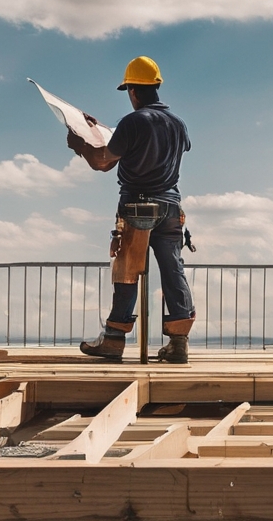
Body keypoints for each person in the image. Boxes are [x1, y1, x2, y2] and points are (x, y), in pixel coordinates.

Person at [67, 56, 195, 363]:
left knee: (127, 269)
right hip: (171, 206)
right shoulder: (177, 124)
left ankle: (113, 339)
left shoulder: (133, 121)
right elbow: (135, 149)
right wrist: (97, 128)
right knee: (173, 269)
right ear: (155, 87)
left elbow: (103, 162)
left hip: (137, 205)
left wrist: (80, 144)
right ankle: (178, 343)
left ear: (132, 92)